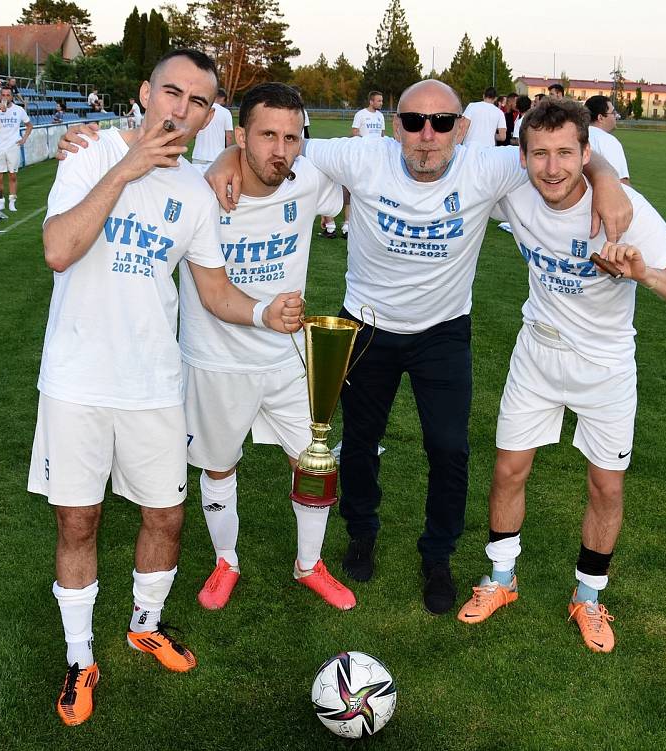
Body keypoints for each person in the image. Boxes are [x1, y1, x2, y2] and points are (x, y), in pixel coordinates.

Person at [205, 79, 632, 616]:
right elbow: (276, 144)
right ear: (395, 127)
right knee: (358, 440)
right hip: (366, 325)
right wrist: (225, 153)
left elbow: (562, 154)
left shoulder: (487, 166)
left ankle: (438, 556)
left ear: (462, 129)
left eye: (442, 123)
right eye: (413, 122)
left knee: (449, 448)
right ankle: (361, 533)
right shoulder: (363, 156)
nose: (427, 135)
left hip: (443, 330)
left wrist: (607, 179)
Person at [28, 48, 303, 727]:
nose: (181, 109)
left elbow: (211, 290)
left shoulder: (194, 195)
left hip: (153, 384)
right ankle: (80, 654)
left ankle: (144, 624)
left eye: (198, 101)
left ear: (211, 117)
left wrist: (263, 311)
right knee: (78, 519)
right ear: (146, 93)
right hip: (77, 381)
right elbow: (59, 248)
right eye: (172, 92)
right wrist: (126, 167)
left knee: (166, 517)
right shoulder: (88, 154)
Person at [456, 98, 666, 652]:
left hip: (607, 364)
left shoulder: (625, 207)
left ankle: (588, 597)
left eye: (567, 153)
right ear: (520, 158)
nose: (552, 167)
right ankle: (501, 579)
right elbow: (440, 164)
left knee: (605, 484)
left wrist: (644, 274)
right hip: (537, 353)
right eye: (539, 153)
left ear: (585, 152)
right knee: (508, 470)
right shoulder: (512, 194)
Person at [179, 82, 355, 612]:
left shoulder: (308, 180)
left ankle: (309, 564)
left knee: (314, 462)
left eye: (292, 137)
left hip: (286, 360)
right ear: (240, 136)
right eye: (266, 136)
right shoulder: (198, 189)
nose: (280, 150)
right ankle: (226, 561)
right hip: (215, 360)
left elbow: (361, 182)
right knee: (218, 468)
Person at [321, 90, 385, 240]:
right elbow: (355, 132)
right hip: (361, 156)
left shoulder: (381, 116)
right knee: (350, 189)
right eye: (379, 101)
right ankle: (346, 225)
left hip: (375, 157)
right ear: (371, 101)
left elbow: (382, 135)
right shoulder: (361, 114)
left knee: (370, 189)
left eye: (382, 101)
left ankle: (358, 224)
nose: (381, 103)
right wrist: (366, 143)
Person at [0, 86, 32, 214]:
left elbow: (29, 125)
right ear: (0, 96)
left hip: (13, 146)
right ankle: (0, 202)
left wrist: (24, 138)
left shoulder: (19, 110)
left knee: (12, 175)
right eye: (3, 95)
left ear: (12, 97)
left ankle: (12, 201)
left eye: (8, 95)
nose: (5, 97)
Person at [585, 95, 630, 184]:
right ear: (600, 117)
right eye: (613, 113)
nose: (616, 116)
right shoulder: (608, 141)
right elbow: (621, 183)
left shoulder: (576, 136)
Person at [191, 87, 234, 172]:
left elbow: (193, 134)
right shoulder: (226, 112)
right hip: (217, 158)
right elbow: (228, 137)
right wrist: (228, 155)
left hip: (198, 156)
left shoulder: (201, 110)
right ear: (222, 98)